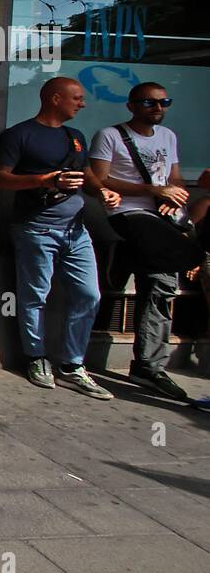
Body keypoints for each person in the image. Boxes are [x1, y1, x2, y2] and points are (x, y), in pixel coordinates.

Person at [0, 77, 121, 399]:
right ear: (56, 98)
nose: (83, 103)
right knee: (35, 296)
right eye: (77, 98)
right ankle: (36, 357)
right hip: (36, 228)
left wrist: (102, 190)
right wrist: (44, 180)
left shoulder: (75, 137)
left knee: (90, 294)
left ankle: (73, 364)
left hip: (77, 230)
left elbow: (86, 174)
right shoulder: (19, 135)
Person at [89, 82, 210, 400]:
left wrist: (176, 196)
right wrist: (152, 191)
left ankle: (149, 365)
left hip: (162, 218)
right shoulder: (111, 135)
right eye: (150, 103)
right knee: (164, 277)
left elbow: (176, 178)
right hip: (127, 214)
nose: (158, 108)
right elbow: (100, 178)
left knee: (162, 282)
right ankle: (149, 366)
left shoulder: (169, 137)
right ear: (132, 106)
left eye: (164, 102)